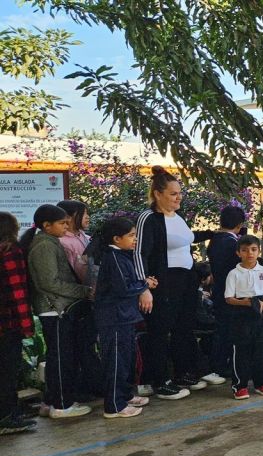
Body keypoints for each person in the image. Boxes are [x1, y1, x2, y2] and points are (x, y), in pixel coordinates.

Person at [135, 166, 216, 399]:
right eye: (173, 194)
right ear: (158, 194)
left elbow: (185, 240)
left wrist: (213, 233)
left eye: (180, 193)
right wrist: (143, 286)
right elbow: (140, 252)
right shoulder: (149, 218)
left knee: (183, 327)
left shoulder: (178, 217)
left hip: (185, 280)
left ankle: (183, 373)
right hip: (162, 282)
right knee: (160, 331)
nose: (178, 197)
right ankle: (161, 381)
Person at [22, 204, 93, 418]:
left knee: (58, 356)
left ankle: (51, 401)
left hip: (57, 308)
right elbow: (49, 282)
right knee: (61, 358)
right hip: (54, 309)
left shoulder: (49, 242)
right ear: (46, 225)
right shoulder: (44, 245)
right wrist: (83, 291)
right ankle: (62, 405)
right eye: (62, 223)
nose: (66, 227)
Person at [90, 217, 155, 418]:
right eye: (131, 236)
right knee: (116, 361)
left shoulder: (122, 256)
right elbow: (123, 288)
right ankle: (114, 405)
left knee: (126, 358)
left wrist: (143, 282)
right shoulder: (114, 258)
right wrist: (144, 285)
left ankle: (125, 395)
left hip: (124, 317)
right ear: (116, 239)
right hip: (114, 318)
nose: (135, 239)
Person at [55, 200, 104, 403]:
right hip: (76, 300)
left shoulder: (85, 236)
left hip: (91, 297)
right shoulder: (63, 242)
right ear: (70, 217)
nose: (87, 217)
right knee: (79, 346)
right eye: (83, 214)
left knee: (88, 344)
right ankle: (82, 388)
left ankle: (91, 385)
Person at [224, 235, 263, 400]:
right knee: (242, 349)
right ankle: (240, 385)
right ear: (238, 253)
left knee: (262, 348)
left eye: (253, 249)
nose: (250, 253)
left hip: (261, 310)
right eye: (245, 250)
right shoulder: (234, 273)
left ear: (259, 251)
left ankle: (262, 383)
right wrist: (245, 303)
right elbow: (229, 298)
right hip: (241, 313)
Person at [0, 212, 37, 433]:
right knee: (8, 370)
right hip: (9, 323)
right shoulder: (11, 252)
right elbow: (18, 292)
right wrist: (27, 325)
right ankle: (8, 416)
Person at [204, 205, 247, 385]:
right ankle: (221, 366)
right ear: (239, 225)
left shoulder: (214, 240)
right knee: (228, 331)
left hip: (219, 290)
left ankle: (219, 365)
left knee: (222, 329)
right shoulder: (233, 243)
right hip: (231, 292)